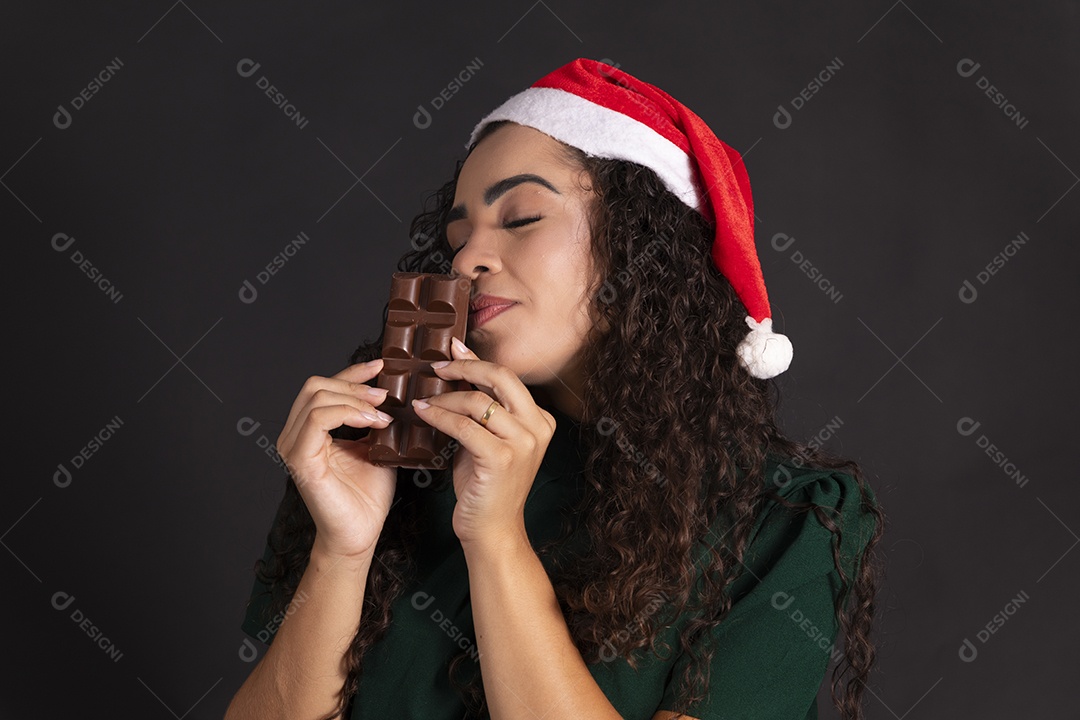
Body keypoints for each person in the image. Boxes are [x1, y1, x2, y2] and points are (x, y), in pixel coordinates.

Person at [225, 57, 884, 720]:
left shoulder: (782, 519)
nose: (465, 259)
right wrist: (343, 550)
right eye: (458, 235)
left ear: (643, 246)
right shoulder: (388, 461)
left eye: (521, 219)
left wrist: (496, 540)